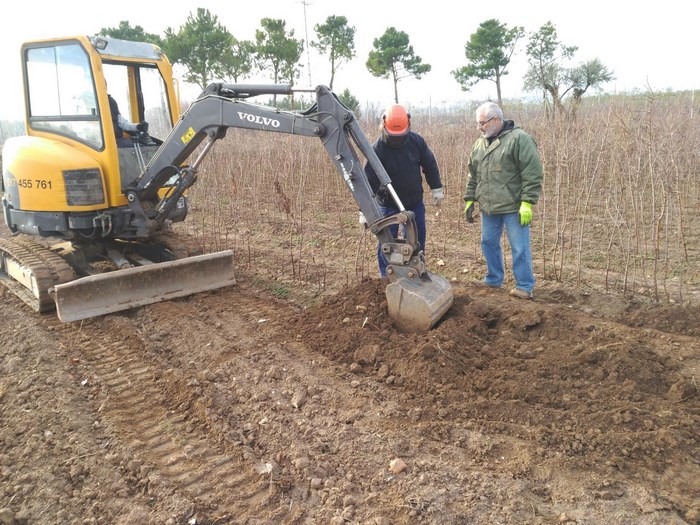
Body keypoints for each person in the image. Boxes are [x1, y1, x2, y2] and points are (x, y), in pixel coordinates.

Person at [463, 101, 543, 299]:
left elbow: (532, 173)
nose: (479, 127)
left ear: (496, 119)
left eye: (482, 123)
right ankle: (494, 279)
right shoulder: (480, 143)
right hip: (489, 207)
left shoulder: (519, 139)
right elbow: (473, 174)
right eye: (477, 123)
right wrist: (470, 198)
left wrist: (527, 202)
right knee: (488, 243)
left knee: (519, 247)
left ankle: (524, 285)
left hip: (513, 206)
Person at [364, 104, 444, 278]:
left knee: (416, 240)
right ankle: (387, 277)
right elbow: (368, 179)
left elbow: (429, 164)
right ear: (384, 125)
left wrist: (436, 187)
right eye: (393, 136)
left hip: (413, 202)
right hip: (388, 205)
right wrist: (364, 210)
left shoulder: (416, 142)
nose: (397, 140)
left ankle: (416, 272)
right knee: (387, 244)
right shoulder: (377, 148)